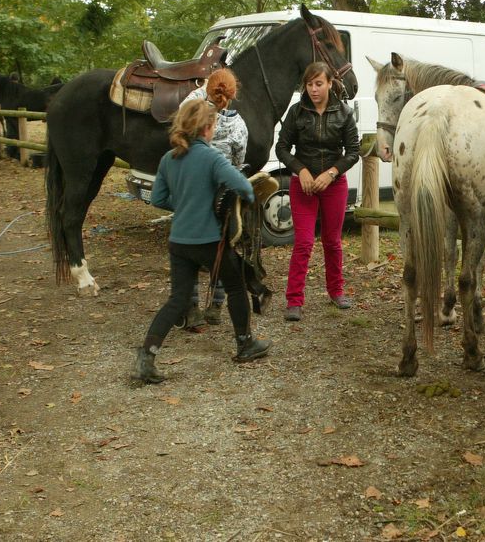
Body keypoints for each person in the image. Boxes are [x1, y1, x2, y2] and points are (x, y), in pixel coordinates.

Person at [133, 99, 270, 384]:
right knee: (235, 287)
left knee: (177, 299)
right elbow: (244, 186)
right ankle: (245, 344)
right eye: (214, 125)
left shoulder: (169, 159)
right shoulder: (212, 158)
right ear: (208, 128)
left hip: (178, 240)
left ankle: (147, 354)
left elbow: (158, 199)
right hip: (209, 241)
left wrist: (184, 204)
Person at [176, 68, 263, 328]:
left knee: (188, 253)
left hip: (192, 188)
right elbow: (238, 160)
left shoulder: (190, 108)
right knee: (223, 249)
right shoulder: (239, 125)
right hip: (222, 195)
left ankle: (190, 309)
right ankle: (215, 306)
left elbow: (179, 134)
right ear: (233, 93)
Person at [275, 61, 360, 321]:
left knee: (332, 242)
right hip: (303, 186)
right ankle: (294, 300)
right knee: (303, 242)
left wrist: (332, 172)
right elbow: (281, 148)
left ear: (330, 84)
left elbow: (353, 151)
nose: (313, 89)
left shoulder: (344, 113)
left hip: (334, 185)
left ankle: (336, 292)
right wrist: (300, 171)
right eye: (309, 84)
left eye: (318, 83)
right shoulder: (296, 112)